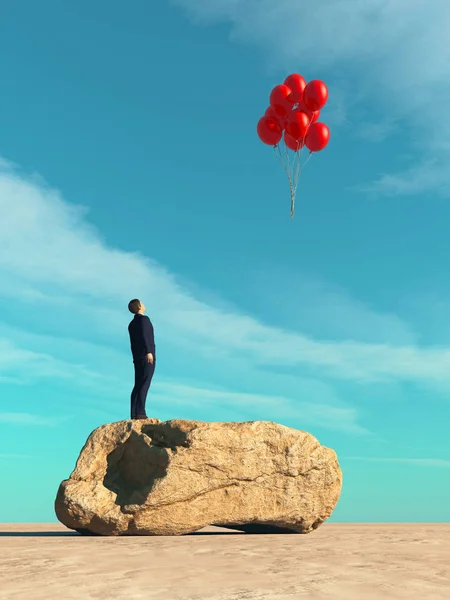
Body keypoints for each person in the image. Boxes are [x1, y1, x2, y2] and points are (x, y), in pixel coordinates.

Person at [127, 299, 156, 420]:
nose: (144, 305)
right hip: (146, 356)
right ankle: (140, 412)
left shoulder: (131, 324)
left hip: (137, 357)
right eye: (142, 303)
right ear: (139, 306)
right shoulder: (144, 319)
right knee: (145, 382)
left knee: (138, 384)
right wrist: (148, 351)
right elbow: (145, 335)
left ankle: (134, 413)